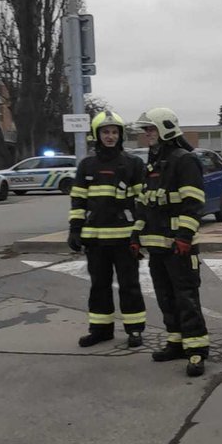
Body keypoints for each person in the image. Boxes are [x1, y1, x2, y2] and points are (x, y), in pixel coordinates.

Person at [134, 108, 209, 377]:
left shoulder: (184, 161)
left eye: (150, 130)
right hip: (158, 247)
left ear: (165, 129)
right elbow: (144, 204)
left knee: (186, 298)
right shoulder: (154, 163)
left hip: (180, 246)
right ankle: (176, 342)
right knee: (166, 298)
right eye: (145, 131)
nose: (147, 135)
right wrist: (136, 235)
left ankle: (197, 350)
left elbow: (193, 203)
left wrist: (185, 237)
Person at [67, 111, 148, 348]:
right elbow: (78, 200)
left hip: (125, 239)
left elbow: (142, 201)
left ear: (120, 135)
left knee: (129, 286)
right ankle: (101, 330)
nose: (110, 136)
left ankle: (134, 330)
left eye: (114, 132)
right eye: (105, 132)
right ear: (96, 134)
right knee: (98, 286)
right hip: (95, 240)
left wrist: (138, 233)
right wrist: (75, 229)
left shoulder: (133, 163)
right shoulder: (87, 165)